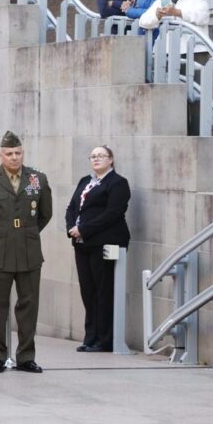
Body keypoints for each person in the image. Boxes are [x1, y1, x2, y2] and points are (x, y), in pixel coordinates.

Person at [0, 131, 52, 374]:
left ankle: (26, 356)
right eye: (9, 153)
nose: (14, 157)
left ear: (22, 153)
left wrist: (25, 233)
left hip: (28, 250)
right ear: (0, 155)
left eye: (18, 153)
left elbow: (45, 214)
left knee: (29, 305)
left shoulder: (37, 179)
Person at [65, 145, 130, 353]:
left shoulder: (118, 183)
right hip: (82, 244)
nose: (96, 159)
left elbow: (113, 213)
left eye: (101, 156)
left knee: (104, 291)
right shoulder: (85, 181)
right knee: (88, 291)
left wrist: (83, 229)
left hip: (105, 243)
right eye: (93, 156)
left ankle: (105, 340)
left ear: (111, 159)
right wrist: (71, 229)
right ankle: (90, 336)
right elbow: (72, 207)